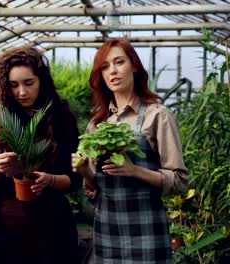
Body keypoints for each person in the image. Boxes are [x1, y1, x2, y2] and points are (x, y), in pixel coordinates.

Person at [72, 38, 189, 263]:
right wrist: (85, 170)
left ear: (134, 65)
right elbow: (94, 190)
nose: (112, 71)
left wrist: (134, 170)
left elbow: (180, 181)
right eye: (105, 67)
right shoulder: (97, 124)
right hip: (107, 231)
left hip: (147, 230)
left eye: (119, 62)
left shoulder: (158, 115)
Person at [0, 46, 82, 264]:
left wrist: (50, 180)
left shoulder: (61, 119)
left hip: (53, 228)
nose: (22, 92)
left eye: (29, 83)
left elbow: (75, 180)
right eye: (14, 85)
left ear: (41, 81)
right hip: (10, 230)